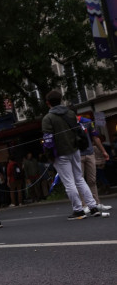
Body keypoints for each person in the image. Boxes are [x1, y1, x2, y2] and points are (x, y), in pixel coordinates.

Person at [41, 91, 109, 219]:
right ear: (61, 100)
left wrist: (49, 155)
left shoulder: (48, 118)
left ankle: (78, 210)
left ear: (48, 103)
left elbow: (48, 140)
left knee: (69, 182)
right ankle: (93, 207)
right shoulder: (71, 113)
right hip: (76, 150)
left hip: (60, 154)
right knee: (79, 179)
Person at [77, 114, 111, 211]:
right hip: (77, 155)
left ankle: (96, 203)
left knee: (92, 180)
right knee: (80, 181)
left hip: (90, 153)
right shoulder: (68, 124)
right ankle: (84, 205)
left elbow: (95, 137)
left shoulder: (87, 121)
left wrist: (103, 151)